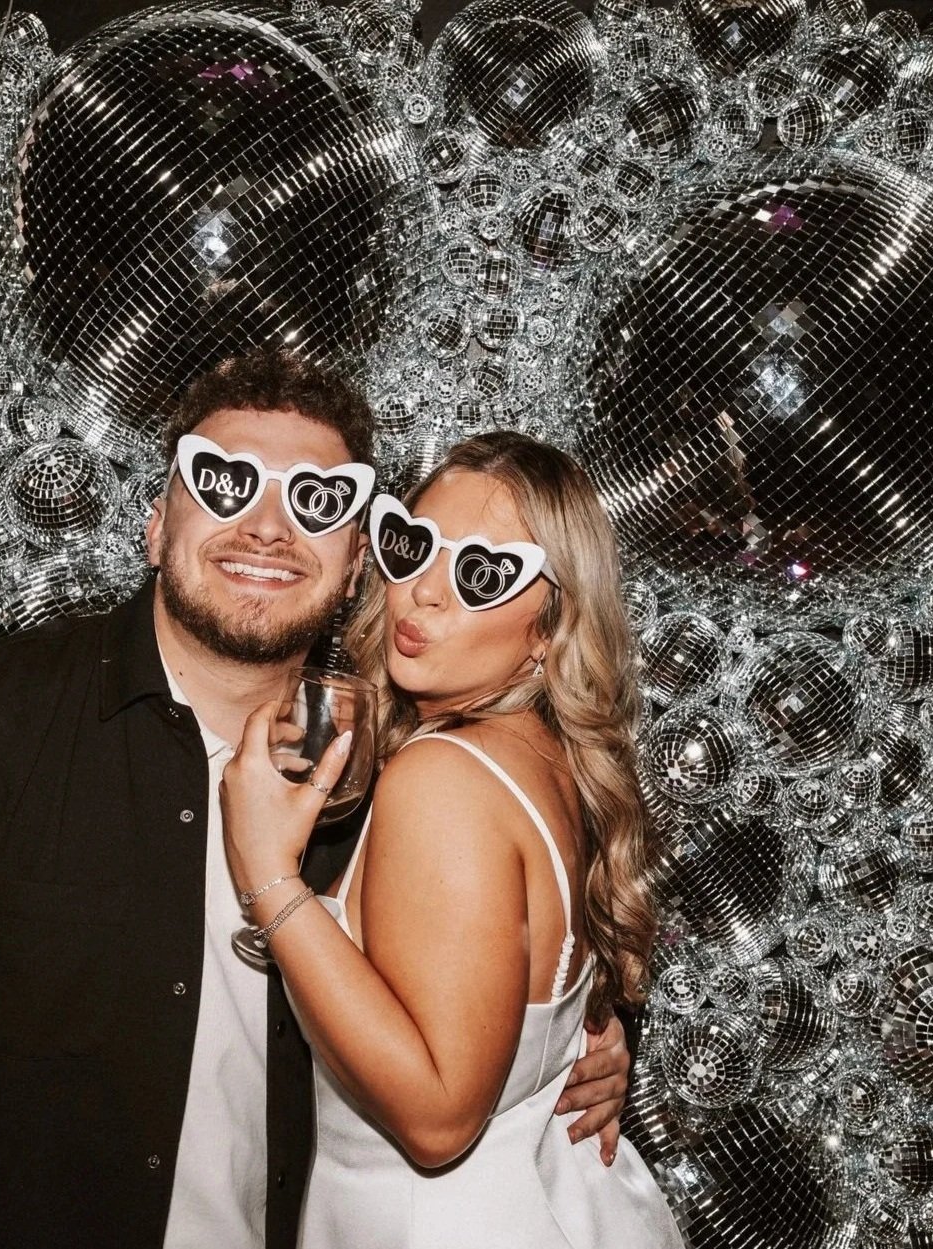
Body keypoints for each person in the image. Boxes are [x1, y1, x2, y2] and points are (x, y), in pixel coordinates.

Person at [0, 350, 635, 1249]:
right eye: (223, 483)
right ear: (155, 525)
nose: (265, 527)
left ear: (353, 568)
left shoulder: (384, 767)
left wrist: (583, 1043)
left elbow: (502, 968)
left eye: (315, 501)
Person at [219, 431, 686, 1248]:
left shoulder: (444, 779)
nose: (425, 592)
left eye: (480, 572)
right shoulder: (545, 761)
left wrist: (268, 873)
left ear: (550, 625)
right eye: (412, 545)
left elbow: (438, 1116)